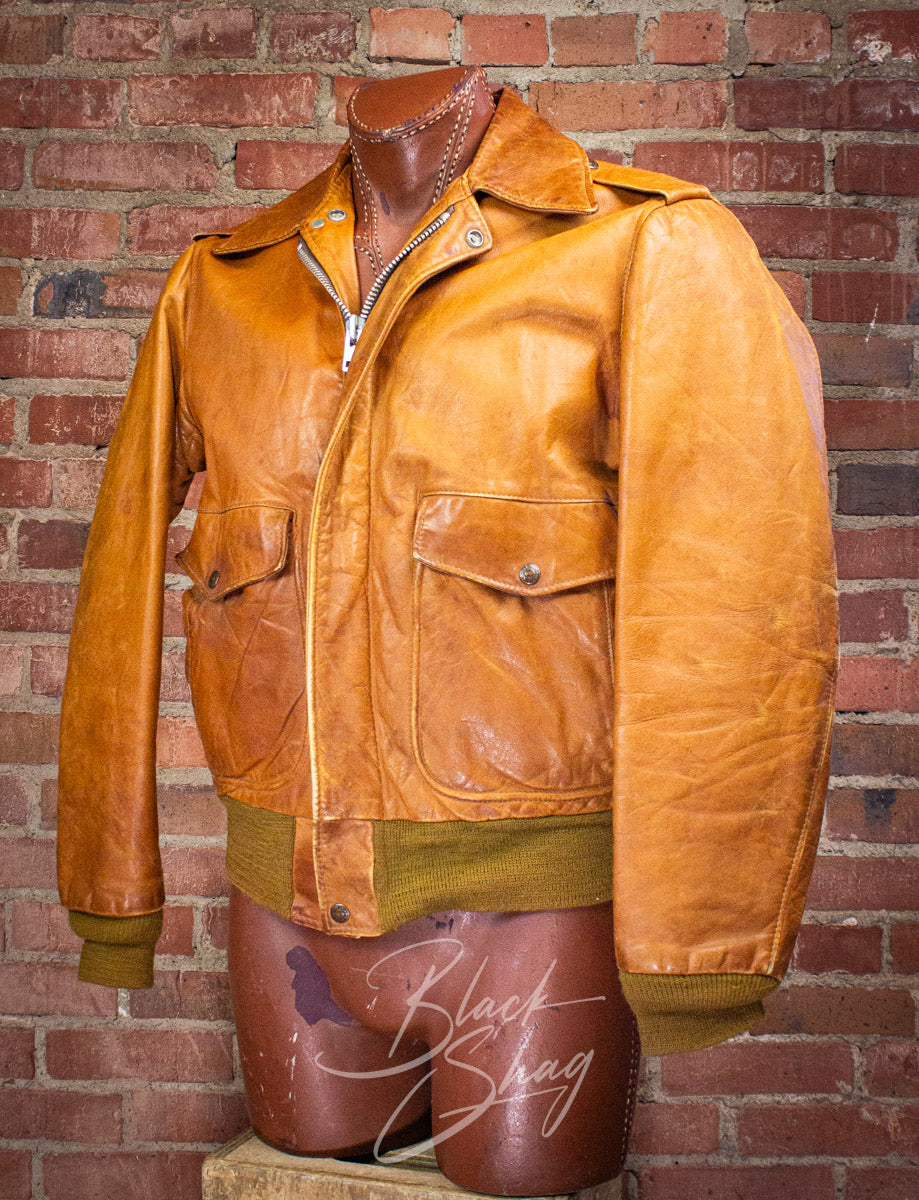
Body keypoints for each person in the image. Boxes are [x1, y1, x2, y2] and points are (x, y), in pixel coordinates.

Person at [57, 64, 837, 1197]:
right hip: (282, 909)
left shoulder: (642, 247)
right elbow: (118, 588)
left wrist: (701, 945)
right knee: (304, 1175)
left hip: (532, 919)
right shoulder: (223, 283)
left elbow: (738, 605)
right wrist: (110, 892)